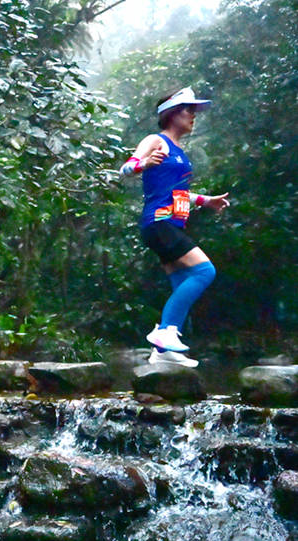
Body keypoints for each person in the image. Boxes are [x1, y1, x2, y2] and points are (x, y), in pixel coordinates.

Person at [120, 87, 230, 367]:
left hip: (172, 224)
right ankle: (165, 333)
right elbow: (125, 169)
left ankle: (163, 354)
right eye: (188, 110)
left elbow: (177, 192)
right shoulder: (155, 141)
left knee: (182, 282)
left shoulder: (179, 151)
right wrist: (142, 163)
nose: (193, 116)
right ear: (171, 113)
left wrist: (206, 200)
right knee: (205, 270)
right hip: (158, 223)